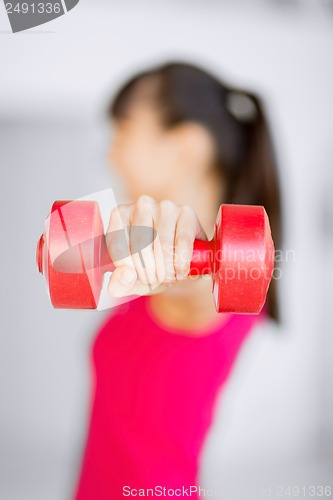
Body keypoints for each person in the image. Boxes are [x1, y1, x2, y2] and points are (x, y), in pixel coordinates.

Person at [74, 61, 282, 499]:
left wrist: (176, 260)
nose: (110, 153)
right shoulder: (164, 263)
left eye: (123, 130)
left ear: (186, 144)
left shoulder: (217, 279)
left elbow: (193, 295)